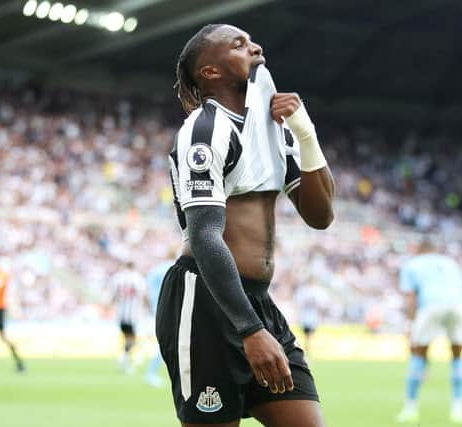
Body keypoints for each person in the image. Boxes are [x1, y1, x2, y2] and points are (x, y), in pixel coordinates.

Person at [156, 24, 335, 427]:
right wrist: (250, 330)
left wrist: (306, 136)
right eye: (238, 44)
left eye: (250, 40)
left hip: (256, 303)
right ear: (211, 72)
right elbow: (204, 235)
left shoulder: (272, 128)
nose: (255, 46)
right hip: (205, 302)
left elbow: (320, 216)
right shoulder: (204, 131)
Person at [395, 240, 462, 425]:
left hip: (431, 305)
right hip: (458, 306)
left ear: (419, 249)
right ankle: (458, 410)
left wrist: (410, 324)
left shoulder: (412, 264)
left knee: (418, 354)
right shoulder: (450, 263)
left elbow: (411, 298)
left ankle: (410, 410)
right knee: (458, 355)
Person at [143, 247, 178, 388]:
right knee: (168, 343)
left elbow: (146, 292)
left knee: (167, 342)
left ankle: (153, 372)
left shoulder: (155, 270)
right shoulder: (173, 268)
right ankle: (151, 373)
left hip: (156, 309)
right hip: (169, 309)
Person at [110, 260, 147, 375]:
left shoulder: (117, 278)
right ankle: (125, 358)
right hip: (133, 314)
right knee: (132, 338)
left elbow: (112, 296)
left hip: (121, 314)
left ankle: (125, 358)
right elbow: (144, 295)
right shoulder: (137, 278)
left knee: (128, 338)